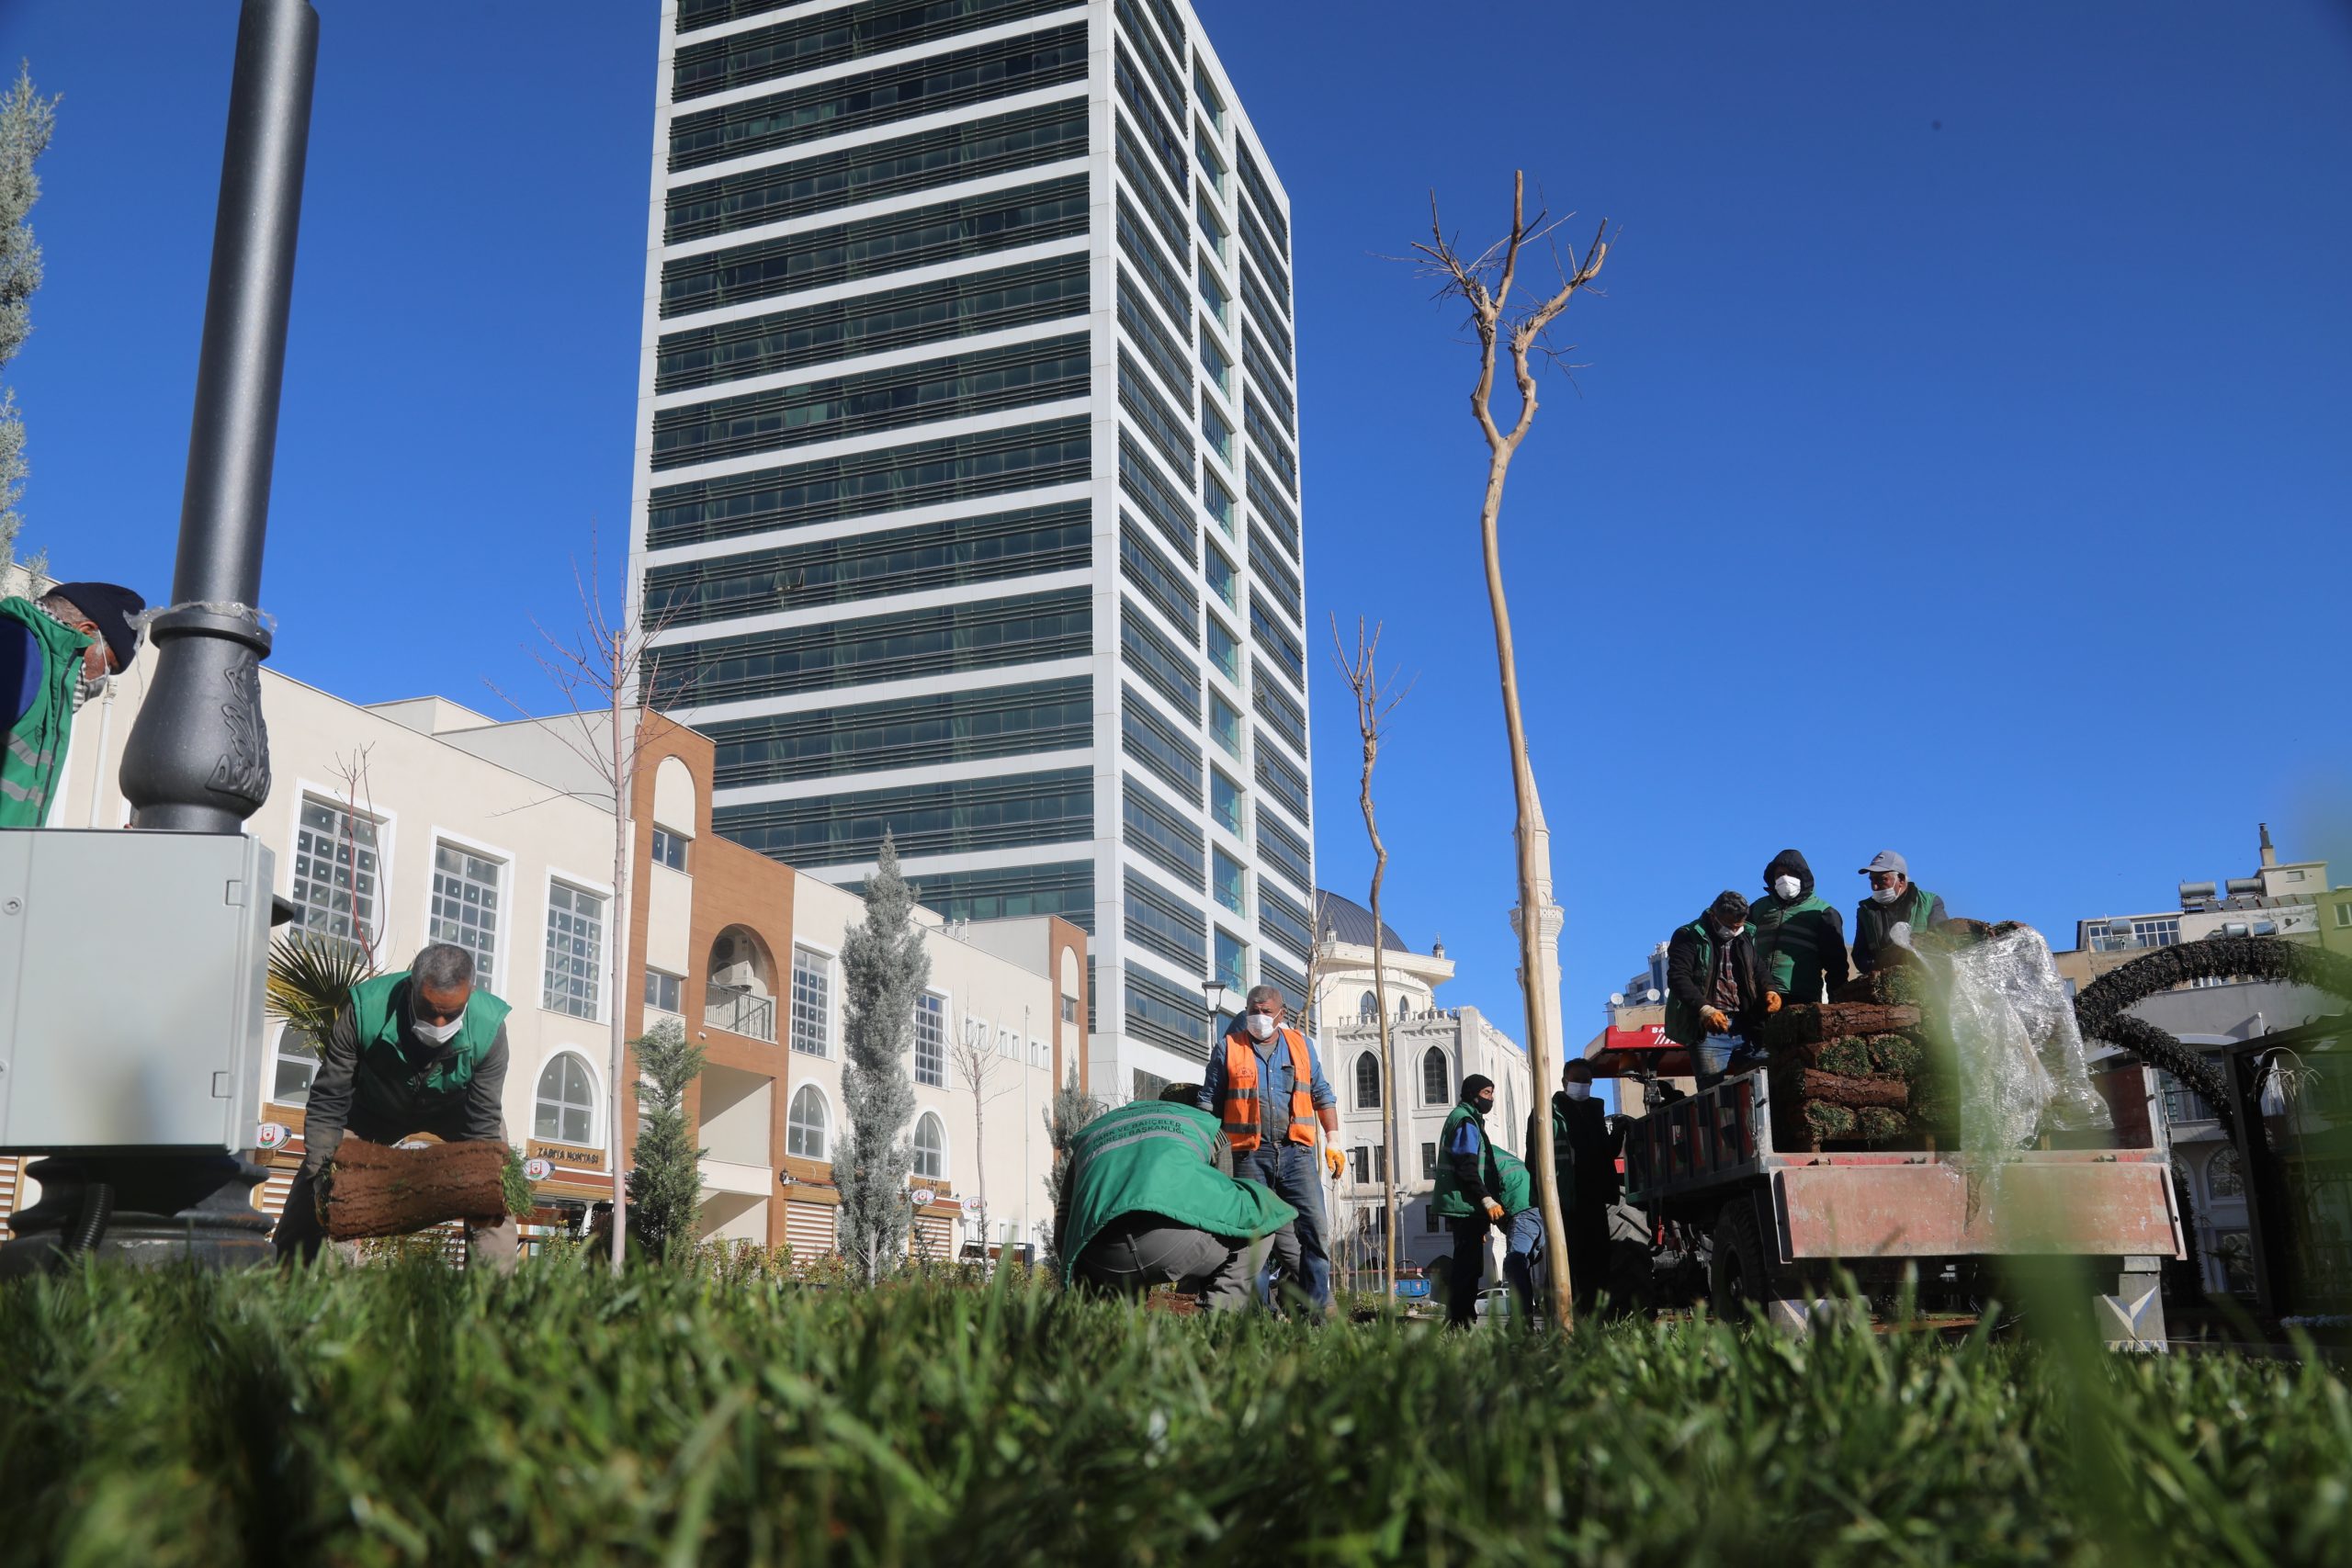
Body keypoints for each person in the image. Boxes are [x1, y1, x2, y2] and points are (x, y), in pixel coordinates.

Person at [272, 942, 519, 1270]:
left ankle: (493, 1302)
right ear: (410, 988)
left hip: (456, 1110)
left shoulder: (490, 1027)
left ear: (470, 994)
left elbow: (484, 1119)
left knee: (495, 1194)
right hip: (373, 1107)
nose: (441, 1023)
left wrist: (484, 1182)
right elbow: (329, 1100)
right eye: (430, 1010)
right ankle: (286, 1283)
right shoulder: (364, 1010)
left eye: (453, 1013)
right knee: (314, 1187)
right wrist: (322, 1176)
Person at [1057, 1084, 1297, 1308]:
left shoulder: (1096, 1130)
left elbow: (1064, 1224)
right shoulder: (1205, 1124)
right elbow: (1226, 1214)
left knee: (1117, 1321)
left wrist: (1079, 1281)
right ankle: (1218, 1315)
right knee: (1262, 1212)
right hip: (1170, 1247)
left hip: (1100, 1258)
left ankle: (1112, 1320)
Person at [1195, 984, 1342, 1311]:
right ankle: (1261, 1316)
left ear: (1281, 1015)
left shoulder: (1301, 1047)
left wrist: (1333, 1140)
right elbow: (1207, 1104)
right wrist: (1204, 1150)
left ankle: (1318, 1312)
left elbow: (1322, 1094)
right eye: (1253, 1011)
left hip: (1296, 1154)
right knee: (1256, 1240)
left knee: (1315, 1232)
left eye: (1266, 1012)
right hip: (1249, 1155)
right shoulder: (1228, 1049)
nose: (1258, 1017)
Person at [0, 581, 144, 828]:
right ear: (86, 631)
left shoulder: (46, 685)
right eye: (109, 665)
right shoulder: (17, 649)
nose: (102, 678)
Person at [1529, 1057, 1623, 1313]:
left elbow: (1604, 1153)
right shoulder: (1546, 1114)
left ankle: (1596, 1315)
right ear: (1564, 1081)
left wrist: (1619, 1134)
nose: (1582, 1085)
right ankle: (1566, 1316)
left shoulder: (1594, 1111)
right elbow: (1533, 1160)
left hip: (1594, 1198)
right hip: (1565, 1201)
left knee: (1599, 1259)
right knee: (1569, 1261)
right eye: (1577, 1080)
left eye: (1586, 1081)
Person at [1666, 890, 1781, 1089]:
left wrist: (1771, 990)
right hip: (1710, 1032)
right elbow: (1678, 978)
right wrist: (1705, 1010)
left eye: (1738, 926)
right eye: (1729, 926)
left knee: (1767, 1084)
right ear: (1713, 915)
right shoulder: (1688, 936)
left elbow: (1759, 969)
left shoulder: (1745, 936)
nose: (1734, 930)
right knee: (1712, 1092)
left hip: (1747, 1026)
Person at [1431, 1073, 1505, 1328]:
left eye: (1492, 1093)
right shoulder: (1466, 1122)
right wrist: (1486, 1200)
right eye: (1486, 1093)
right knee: (1467, 1267)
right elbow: (1466, 1167)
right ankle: (1459, 1320)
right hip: (1463, 1205)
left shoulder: (1469, 1119)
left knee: (1469, 1265)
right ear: (1472, 1094)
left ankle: (1461, 1318)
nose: (1491, 1099)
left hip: (1465, 1206)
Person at [1749, 849, 1851, 1004]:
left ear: (1803, 877)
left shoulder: (1822, 912)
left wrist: (1837, 1003)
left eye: (1791, 874)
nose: (1785, 878)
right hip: (1758, 994)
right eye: (1780, 874)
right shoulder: (1758, 908)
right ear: (1773, 878)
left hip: (1800, 995)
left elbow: (1836, 965)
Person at [1851, 851, 1949, 975]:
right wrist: (1873, 969)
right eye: (1872, 880)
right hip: (1886, 983)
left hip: (1924, 980)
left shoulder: (1930, 903)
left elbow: (1942, 941)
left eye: (1882, 880)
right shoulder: (1866, 911)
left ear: (1901, 879)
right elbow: (1860, 953)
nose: (1875, 887)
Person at [1492, 1145, 1544, 1326]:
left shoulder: (1481, 1156)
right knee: (1523, 1265)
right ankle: (1525, 1320)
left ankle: (1521, 1322)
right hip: (1538, 1212)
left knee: (1514, 1262)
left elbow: (1480, 1189)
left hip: (1522, 1212)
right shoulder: (1501, 1155)